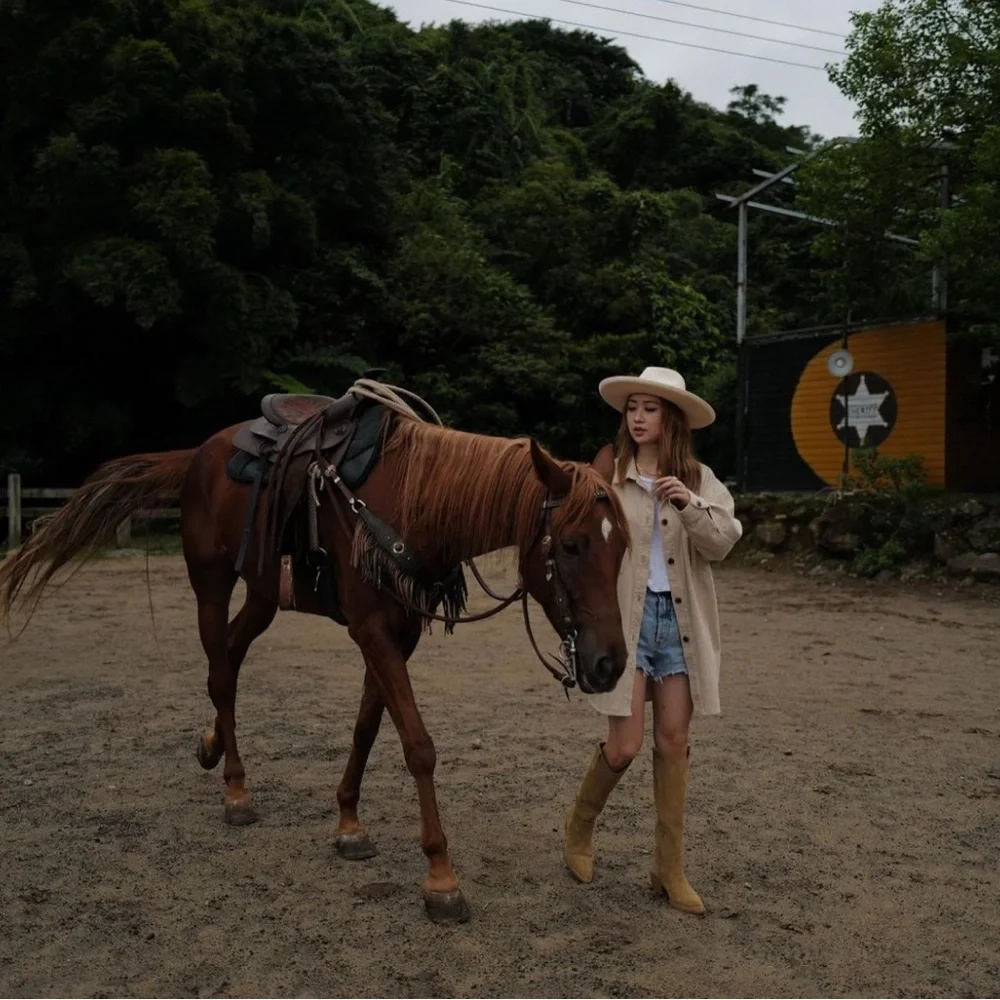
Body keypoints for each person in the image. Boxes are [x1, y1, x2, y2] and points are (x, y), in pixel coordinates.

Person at [562, 365, 742, 915]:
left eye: (650, 408)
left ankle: (669, 868)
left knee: (674, 742)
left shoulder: (700, 479)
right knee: (625, 746)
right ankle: (578, 831)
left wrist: (687, 503)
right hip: (626, 624)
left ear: (672, 419)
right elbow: (577, 538)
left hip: (680, 628)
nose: (638, 417)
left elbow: (723, 544)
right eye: (632, 407)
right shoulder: (607, 474)